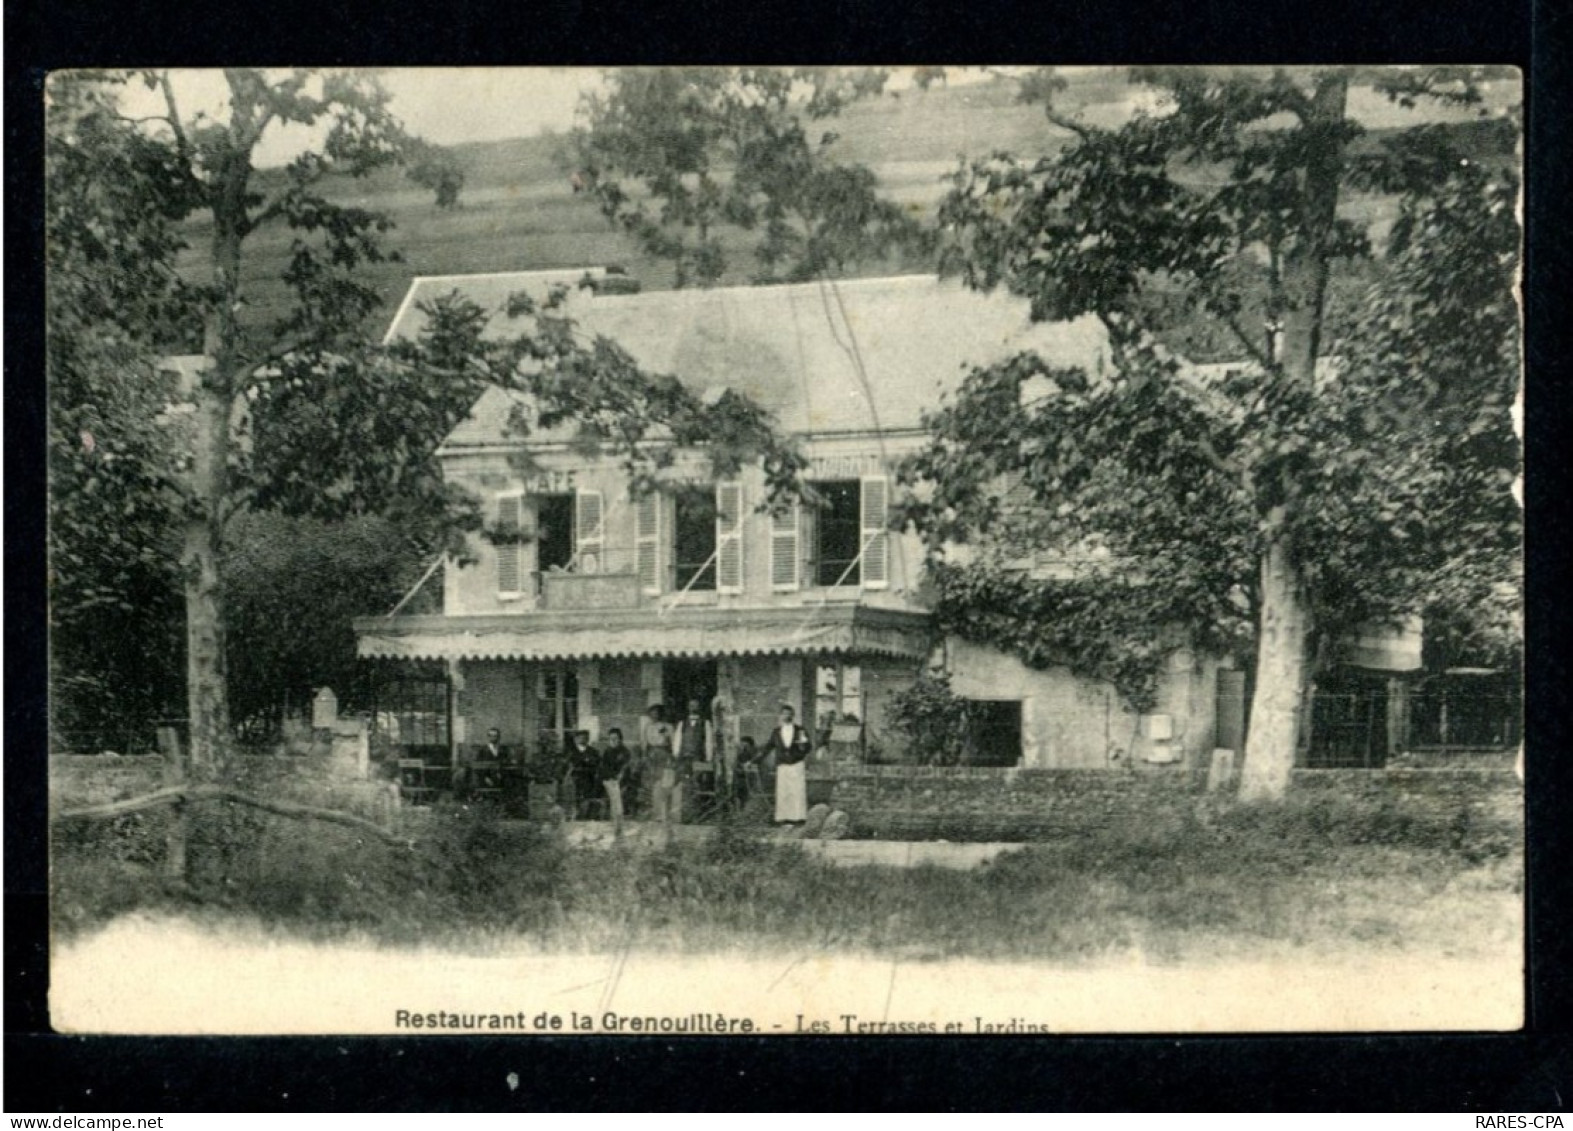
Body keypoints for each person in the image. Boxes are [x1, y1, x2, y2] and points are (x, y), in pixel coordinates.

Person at [764, 705, 811, 825]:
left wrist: (802, 748)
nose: (787, 716)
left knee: (797, 791)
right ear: (781, 716)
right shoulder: (776, 732)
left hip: (796, 764)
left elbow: (808, 747)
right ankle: (783, 818)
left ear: (793, 715)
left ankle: (799, 818)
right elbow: (768, 748)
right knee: (783, 792)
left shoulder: (800, 730)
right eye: (784, 713)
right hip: (782, 765)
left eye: (789, 713)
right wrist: (753, 761)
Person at [671, 699, 715, 819]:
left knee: (697, 784)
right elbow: (677, 740)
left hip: (698, 758)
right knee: (685, 785)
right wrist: (676, 754)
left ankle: (697, 814)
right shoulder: (682, 723)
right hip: (685, 758)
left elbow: (708, 742)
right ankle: (685, 814)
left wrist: (708, 758)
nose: (693, 707)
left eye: (696, 705)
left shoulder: (705, 723)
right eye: (691, 705)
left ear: (700, 707)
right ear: (688, 707)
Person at [598, 728, 632, 837]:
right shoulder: (607, 752)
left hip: (621, 781)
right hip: (609, 780)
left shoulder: (625, 752)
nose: (613, 741)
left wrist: (620, 777)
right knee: (614, 802)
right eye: (610, 739)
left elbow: (625, 768)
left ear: (620, 739)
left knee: (618, 803)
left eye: (615, 738)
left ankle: (619, 827)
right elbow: (604, 767)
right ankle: (615, 826)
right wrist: (609, 778)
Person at [566, 730, 601, 820]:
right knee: (575, 799)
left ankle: (589, 816)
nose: (583, 740)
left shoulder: (593, 752)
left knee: (589, 800)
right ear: (575, 739)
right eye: (580, 738)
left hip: (589, 779)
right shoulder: (570, 752)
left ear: (588, 739)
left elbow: (597, 765)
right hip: (575, 780)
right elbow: (568, 766)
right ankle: (576, 815)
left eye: (585, 738)